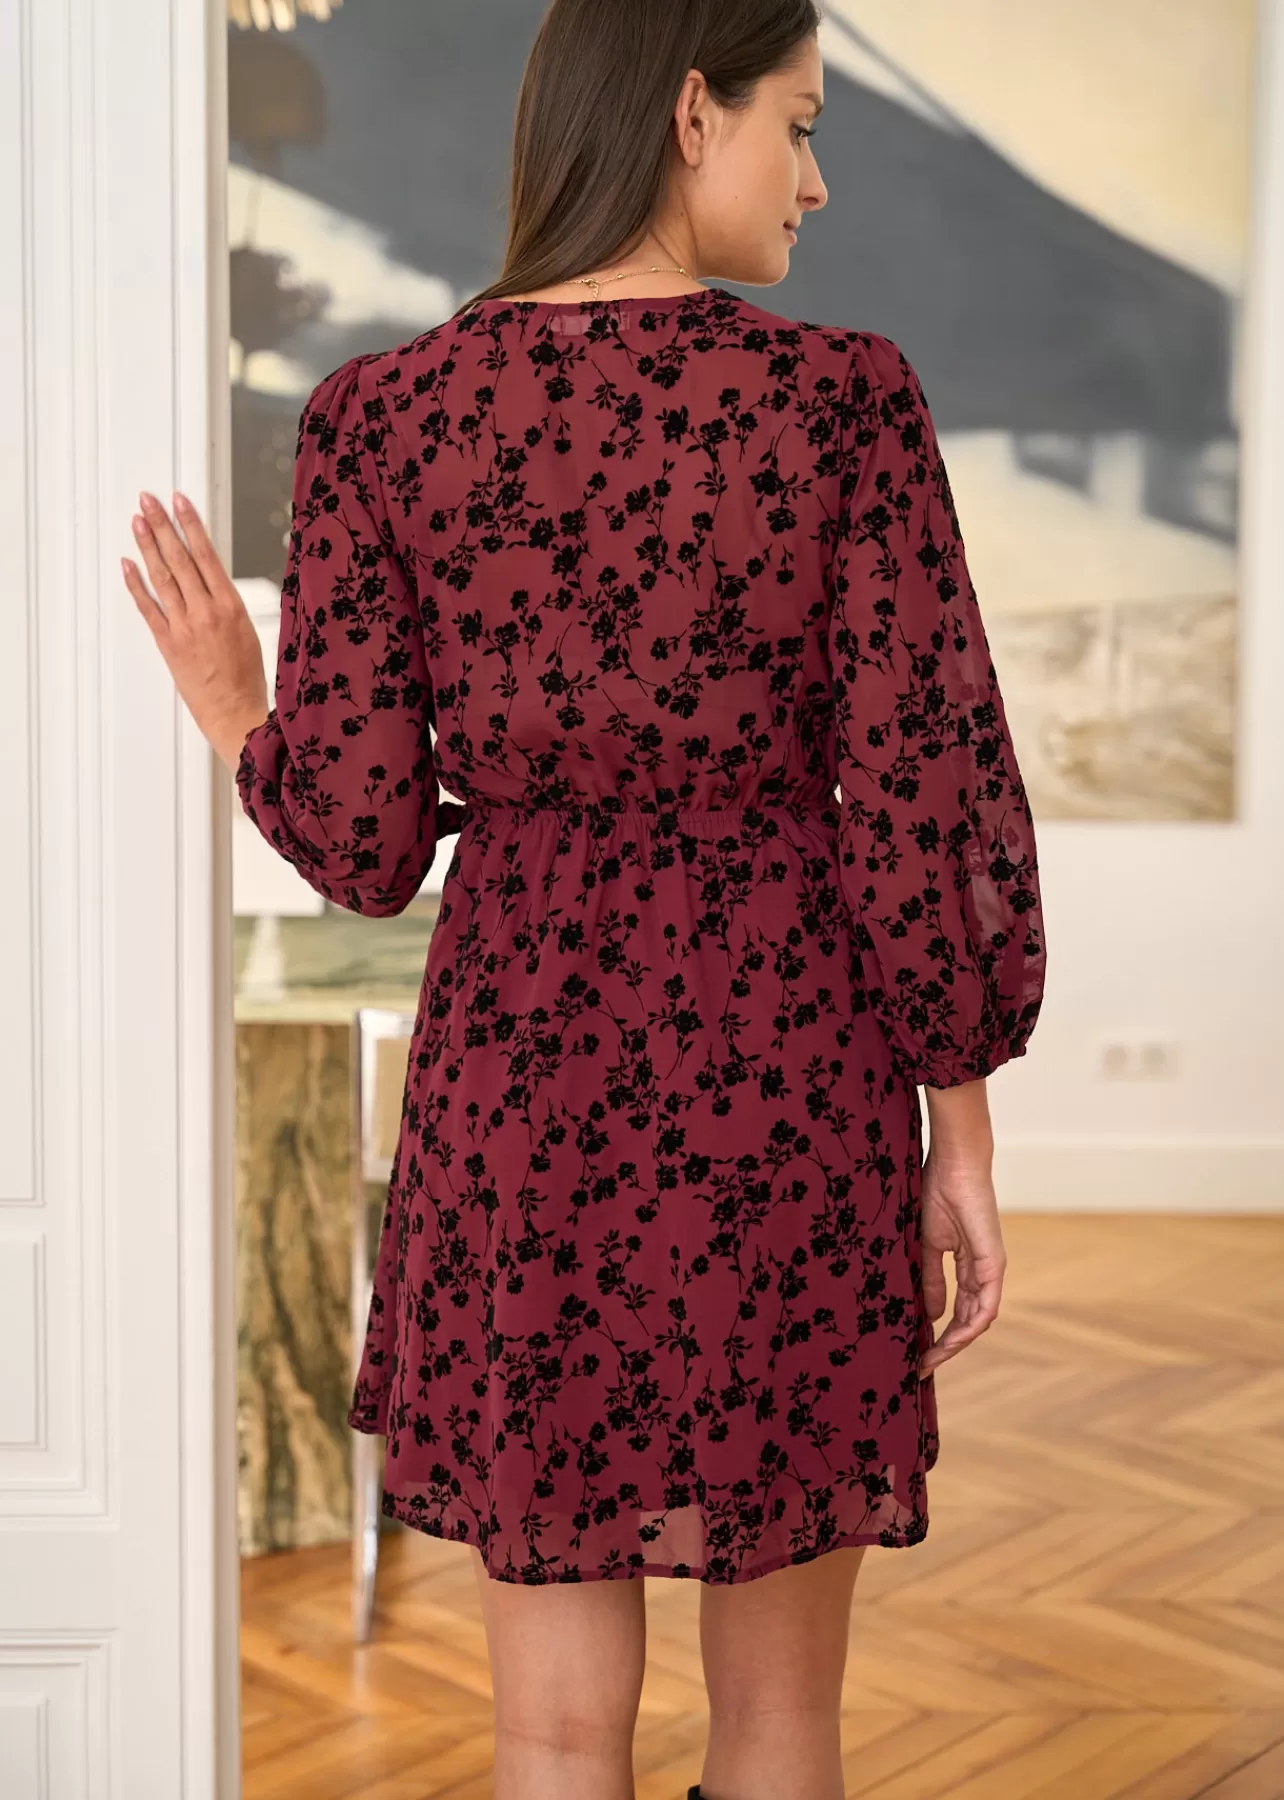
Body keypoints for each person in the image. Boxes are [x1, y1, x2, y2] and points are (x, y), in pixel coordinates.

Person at [122, 1, 1046, 1795]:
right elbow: (927, 799)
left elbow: (369, 846)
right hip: (789, 1070)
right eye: (801, 123)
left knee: (550, 1730)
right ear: (692, 112)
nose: (818, 180)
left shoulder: (381, 419)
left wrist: (239, 708)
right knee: (781, 1719)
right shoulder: (844, 403)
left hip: (522, 1087)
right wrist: (966, 1133)